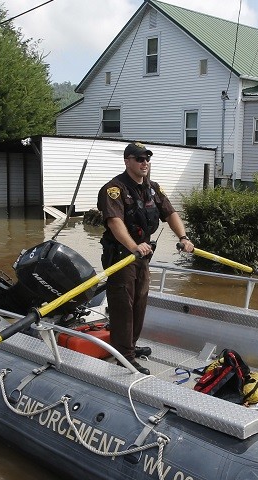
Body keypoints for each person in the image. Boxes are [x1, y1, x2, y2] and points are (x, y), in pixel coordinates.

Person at [97, 141, 193, 375]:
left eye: (147, 159)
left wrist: (184, 237)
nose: (145, 163)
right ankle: (124, 356)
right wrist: (133, 246)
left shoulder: (152, 188)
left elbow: (170, 213)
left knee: (140, 301)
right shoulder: (114, 189)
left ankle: (130, 345)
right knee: (123, 306)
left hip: (142, 257)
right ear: (127, 161)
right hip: (121, 256)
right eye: (139, 159)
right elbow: (115, 222)